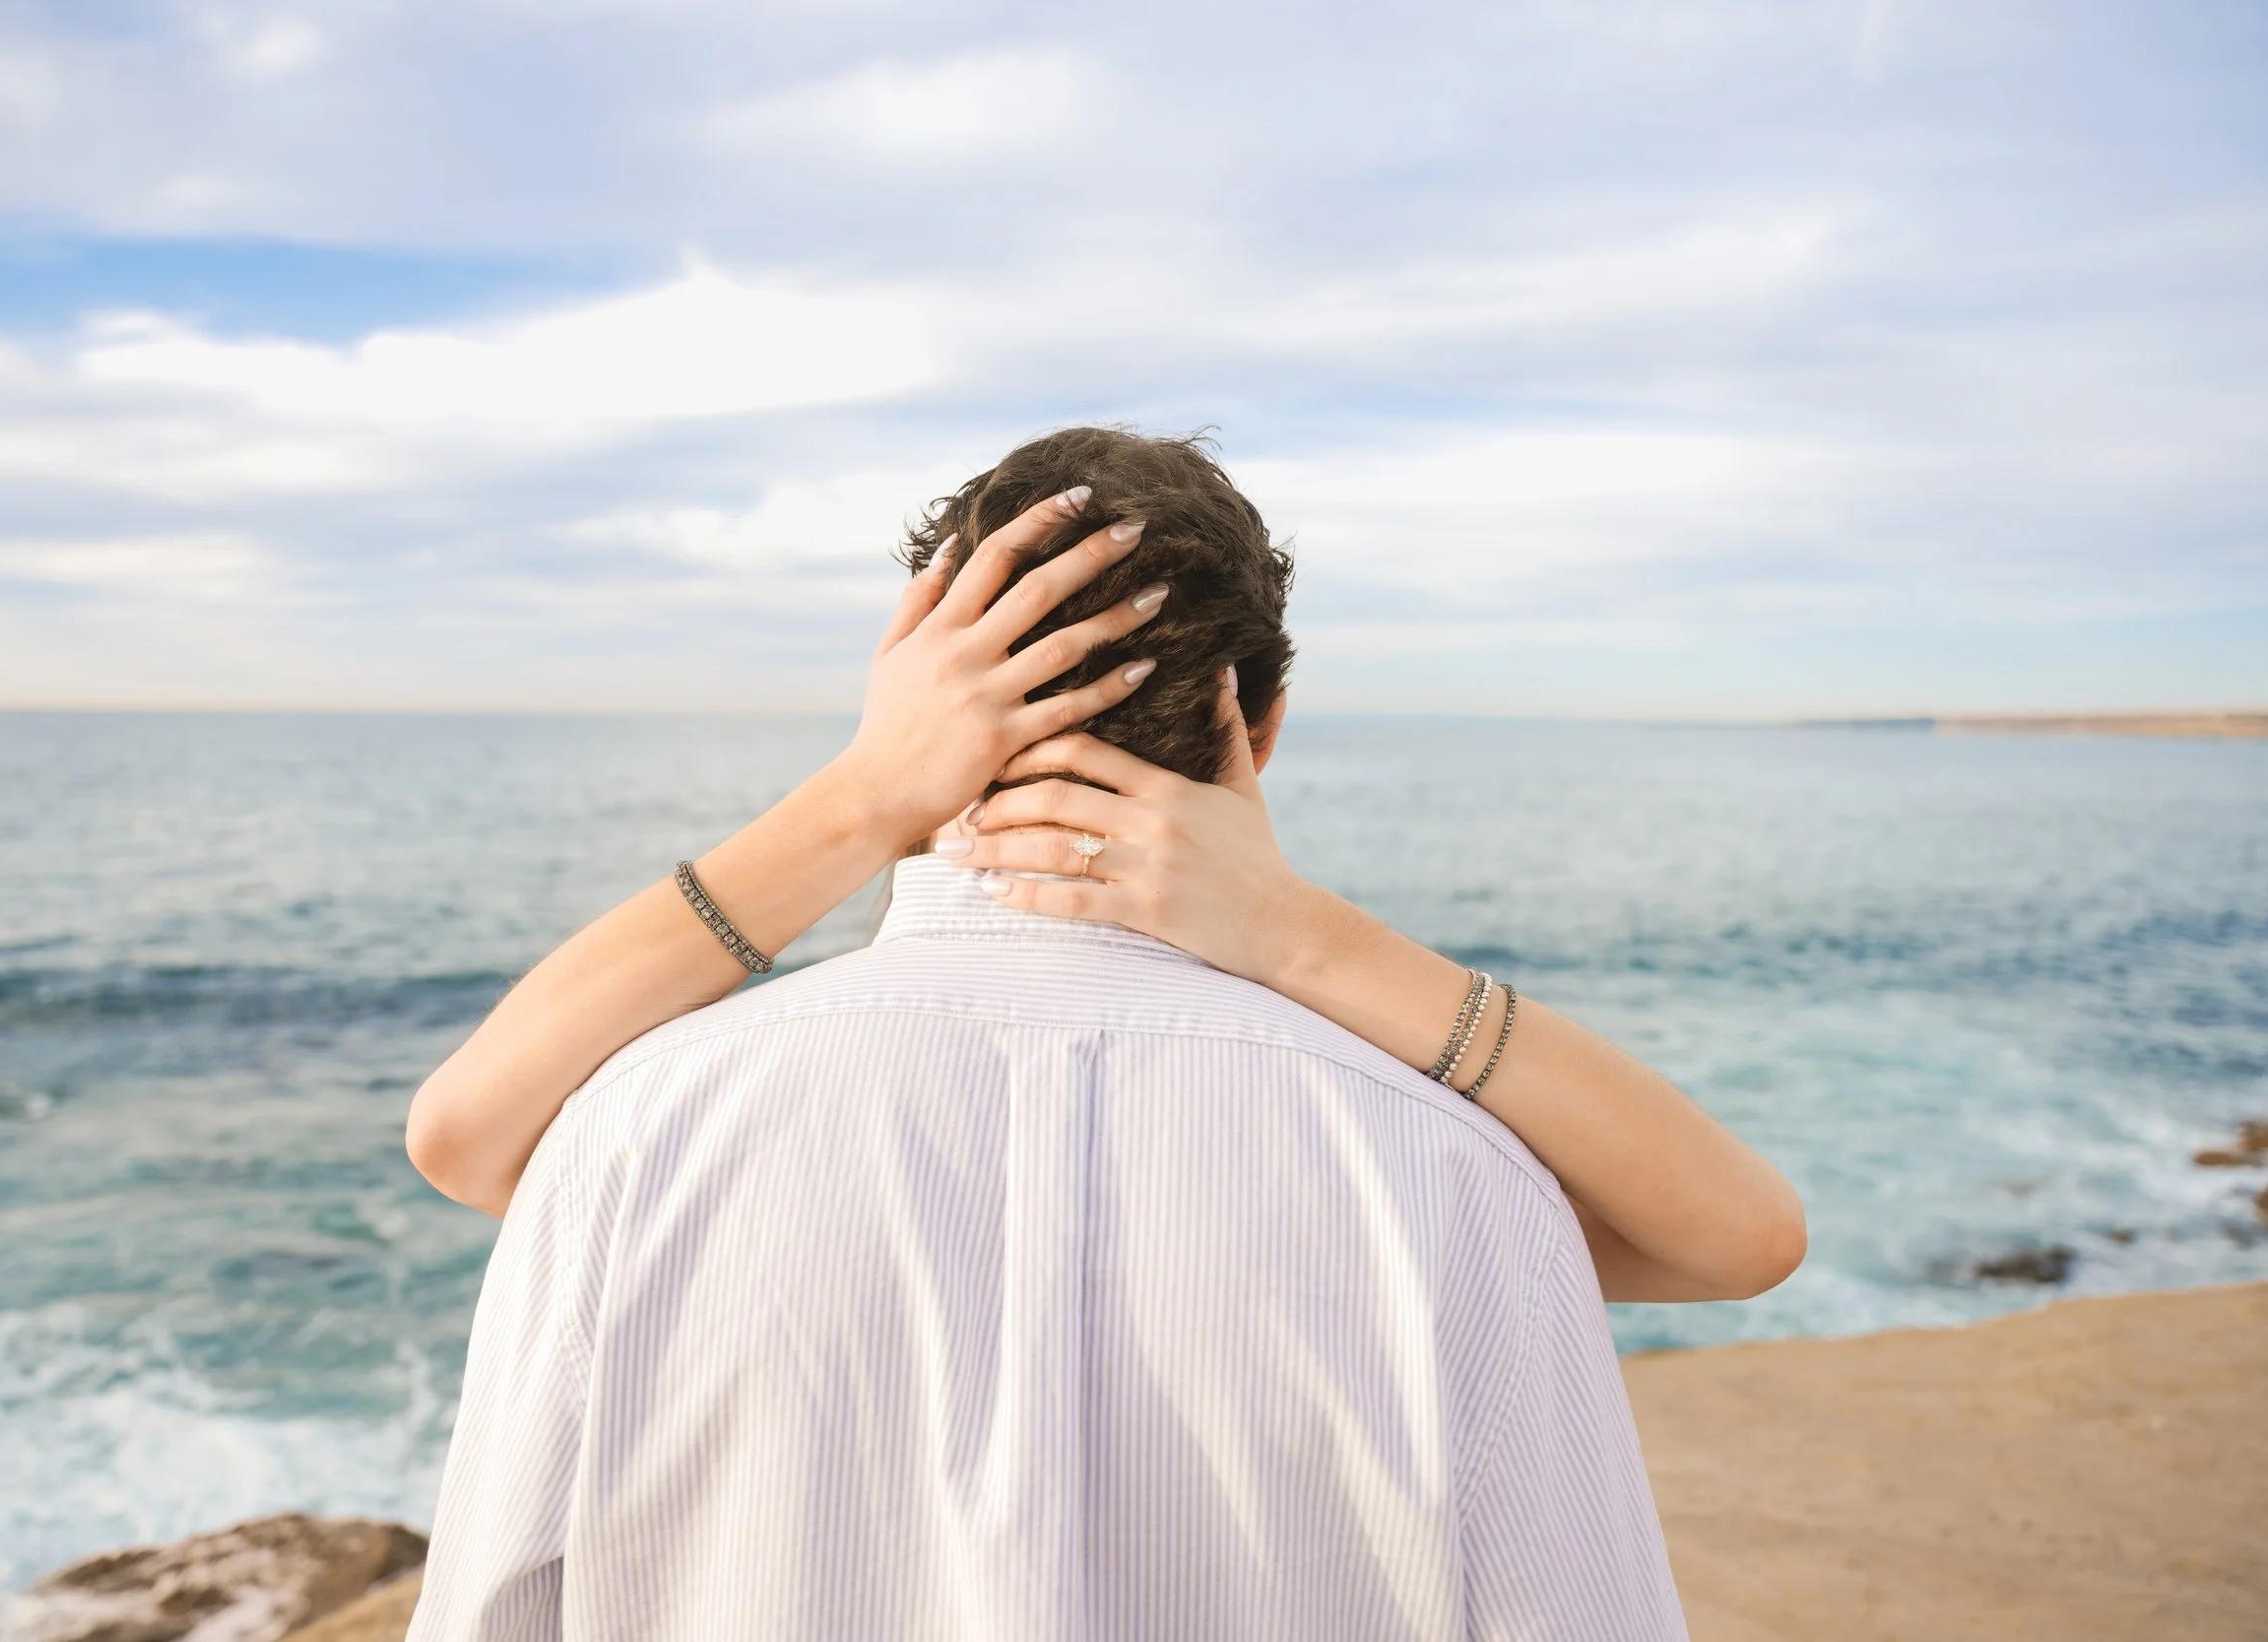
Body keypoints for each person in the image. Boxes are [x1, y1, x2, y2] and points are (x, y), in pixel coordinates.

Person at [407, 429, 1762, 1639]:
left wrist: (860, 800)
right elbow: (1735, 1236)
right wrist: (1297, 932)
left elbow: (464, 1143)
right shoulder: (1456, 1180)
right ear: (1263, 727)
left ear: (903, 703)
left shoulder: (631, 1141)